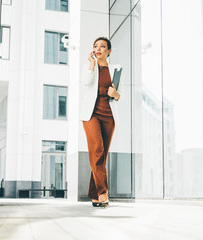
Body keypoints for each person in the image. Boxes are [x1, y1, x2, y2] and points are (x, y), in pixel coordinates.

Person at [80, 37, 123, 207]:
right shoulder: (89, 67)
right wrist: (91, 64)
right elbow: (86, 82)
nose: (98, 49)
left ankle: (94, 195)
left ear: (109, 51)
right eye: (96, 46)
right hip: (91, 115)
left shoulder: (115, 69)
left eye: (103, 46)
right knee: (97, 149)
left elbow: (120, 94)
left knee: (101, 155)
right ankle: (103, 192)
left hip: (109, 117)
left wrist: (116, 94)